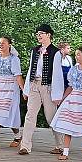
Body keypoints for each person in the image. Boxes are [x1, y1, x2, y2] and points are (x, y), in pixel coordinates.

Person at [19, 24, 64, 155]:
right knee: (30, 115)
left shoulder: (55, 52)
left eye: (41, 33)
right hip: (34, 84)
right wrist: (26, 89)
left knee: (51, 116)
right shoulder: (35, 50)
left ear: (49, 35)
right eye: (37, 33)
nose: (38, 35)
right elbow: (30, 70)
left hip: (47, 86)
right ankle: (25, 145)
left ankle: (60, 144)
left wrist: (57, 95)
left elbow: (57, 74)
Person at [50, 45, 82, 161]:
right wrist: (63, 98)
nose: (76, 57)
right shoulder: (73, 69)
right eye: (75, 54)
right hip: (73, 98)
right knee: (68, 125)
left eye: (79, 54)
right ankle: (65, 152)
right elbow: (70, 86)